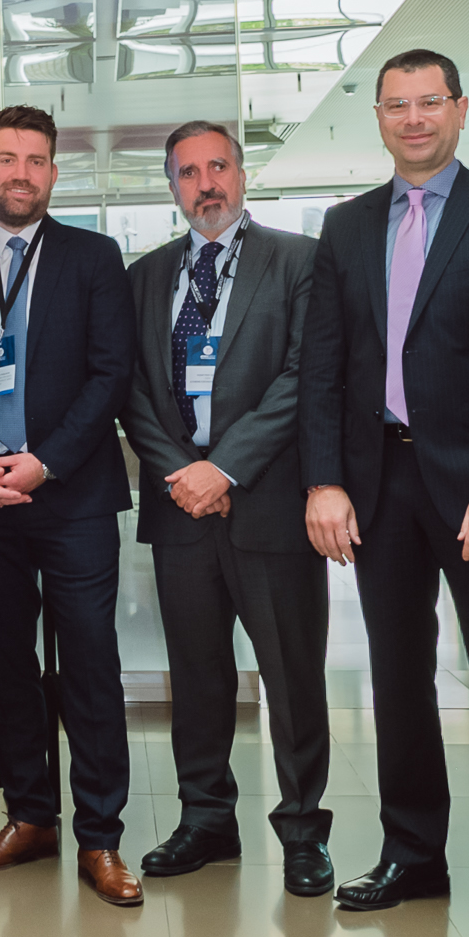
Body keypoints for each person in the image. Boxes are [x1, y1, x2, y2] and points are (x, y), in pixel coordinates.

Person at [298, 49, 469, 937]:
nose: (413, 119)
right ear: (377, 117)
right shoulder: (345, 225)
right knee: (396, 676)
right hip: (378, 479)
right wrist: (324, 479)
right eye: (395, 105)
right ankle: (412, 853)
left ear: (459, 108)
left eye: (429, 102)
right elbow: (324, 365)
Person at [121, 120, 332, 893]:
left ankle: (303, 830)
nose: (204, 183)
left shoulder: (298, 260)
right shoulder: (145, 275)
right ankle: (205, 817)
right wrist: (182, 471)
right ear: (171, 186)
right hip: (180, 507)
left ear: (242, 175)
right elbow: (131, 389)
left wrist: (226, 468)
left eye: (217, 167)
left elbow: (304, 375)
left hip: (267, 503)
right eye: (187, 172)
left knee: (290, 676)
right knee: (197, 675)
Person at [0, 106, 142, 904]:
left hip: (73, 496)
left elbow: (110, 374)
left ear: (53, 173)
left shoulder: (94, 257)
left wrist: (42, 463)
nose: (20, 172)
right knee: (6, 661)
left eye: (34, 160)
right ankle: (29, 816)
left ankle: (100, 836)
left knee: (89, 663)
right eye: (6, 158)